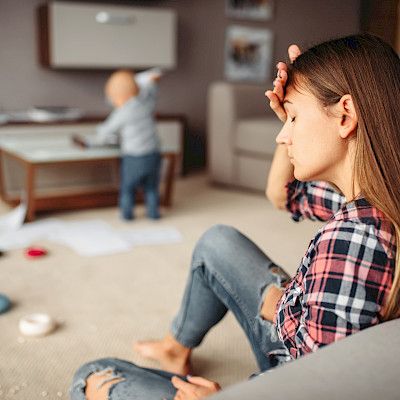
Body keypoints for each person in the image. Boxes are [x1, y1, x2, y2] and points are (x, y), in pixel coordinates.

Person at [70, 33, 400, 400]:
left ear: (345, 115)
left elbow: (316, 385)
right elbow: (283, 194)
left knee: (92, 376)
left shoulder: (352, 239)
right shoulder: (379, 198)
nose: (282, 137)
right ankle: (175, 347)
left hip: (291, 372)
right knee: (218, 241)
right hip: (300, 323)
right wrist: (283, 299)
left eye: (292, 118)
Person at [73, 69, 162, 221]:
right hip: (153, 155)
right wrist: (151, 81)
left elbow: (105, 132)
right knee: (151, 188)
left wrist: (90, 140)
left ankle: (127, 215)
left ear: (118, 97)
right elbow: (151, 90)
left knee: (128, 188)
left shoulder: (122, 112)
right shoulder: (146, 103)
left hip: (134, 158)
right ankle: (153, 214)